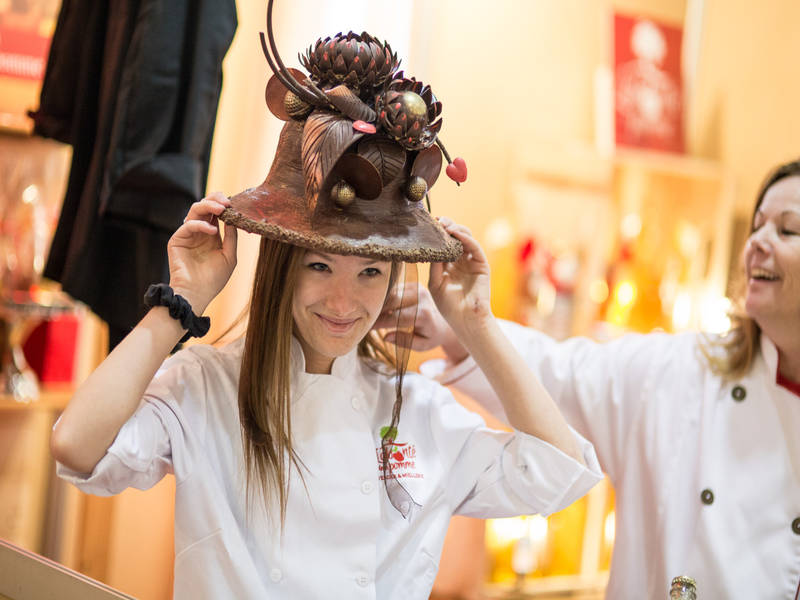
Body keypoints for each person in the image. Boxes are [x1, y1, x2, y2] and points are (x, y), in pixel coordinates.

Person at [49, 9, 602, 599]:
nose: (345, 300)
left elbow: (559, 472)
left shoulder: (419, 415)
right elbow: (77, 446)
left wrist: (477, 324)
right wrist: (178, 302)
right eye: (318, 265)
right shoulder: (205, 387)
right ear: (281, 267)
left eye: (371, 271)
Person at [382, 158, 800, 598]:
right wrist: (461, 326)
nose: (756, 243)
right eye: (757, 226)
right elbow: (559, 376)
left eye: (787, 230)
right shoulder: (682, 373)